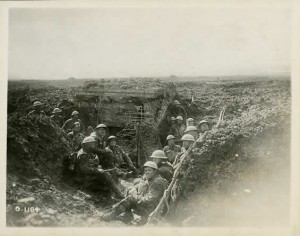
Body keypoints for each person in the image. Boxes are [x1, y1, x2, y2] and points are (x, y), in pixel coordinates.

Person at [101, 161, 167, 224]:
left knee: (130, 199)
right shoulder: (150, 177)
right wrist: (134, 188)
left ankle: (113, 215)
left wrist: (136, 196)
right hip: (146, 206)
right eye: (145, 170)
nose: (146, 172)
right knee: (129, 193)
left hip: (152, 210)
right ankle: (125, 215)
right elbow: (141, 184)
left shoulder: (158, 182)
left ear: (155, 171)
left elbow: (150, 199)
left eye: (149, 170)